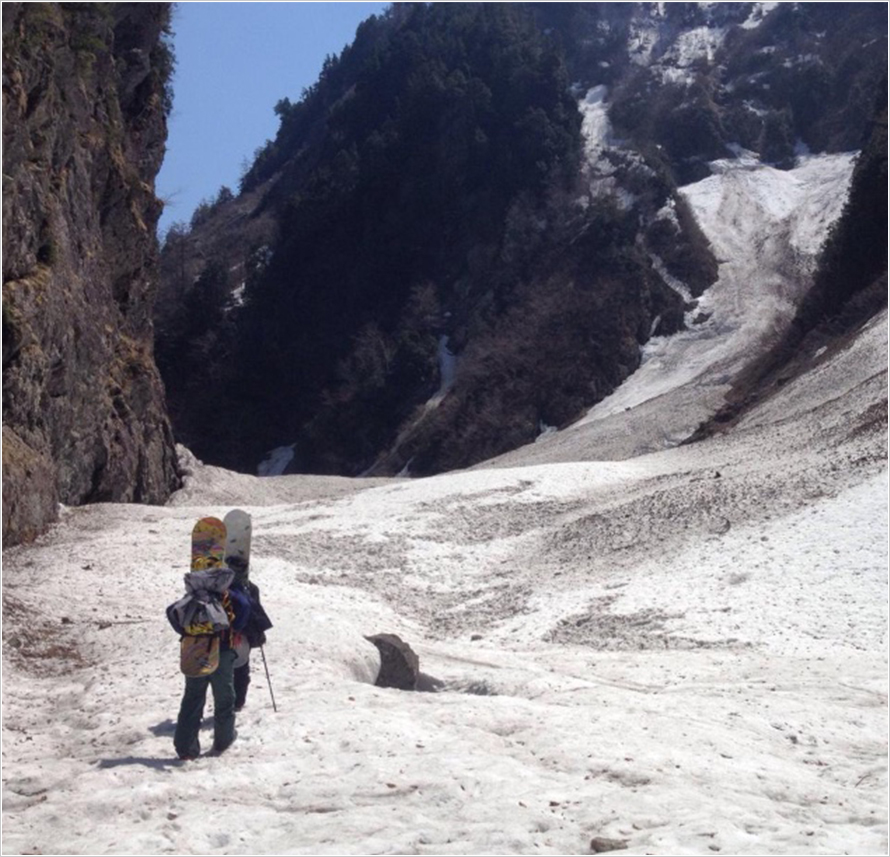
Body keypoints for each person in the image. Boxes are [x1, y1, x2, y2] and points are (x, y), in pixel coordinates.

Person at [173, 575, 250, 760]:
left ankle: (185, 748)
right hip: (222, 652)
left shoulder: (191, 598)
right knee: (224, 697)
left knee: (192, 697)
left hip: (194, 651)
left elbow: (172, 613)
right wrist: (235, 629)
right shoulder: (229, 595)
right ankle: (223, 739)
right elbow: (245, 609)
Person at [227, 554, 273, 712]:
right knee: (240, 668)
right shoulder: (250, 589)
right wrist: (258, 633)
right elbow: (255, 612)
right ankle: (237, 703)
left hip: (218, 635)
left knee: (223, 670)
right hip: (242, 635)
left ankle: (226, 703)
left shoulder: (216, 587)